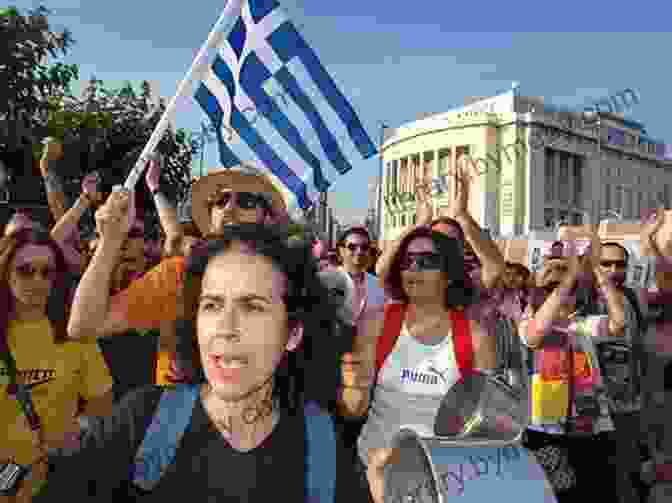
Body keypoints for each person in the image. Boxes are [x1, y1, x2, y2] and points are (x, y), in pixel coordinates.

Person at [36, 220, 367, 503]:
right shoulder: (141, 422)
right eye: (212, 305)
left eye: (252, 306)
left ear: (293, 333)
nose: (226, 327)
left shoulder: (323, 450)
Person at [339, 226, 495, 500]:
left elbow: (484, 428)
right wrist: (354, 388)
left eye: (427, 261)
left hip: (439, 484)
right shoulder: (377, 325)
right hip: (371, 473)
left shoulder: (476, 339)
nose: (414, 268)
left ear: (448, 275)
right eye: (407, 261)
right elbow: (353, 411)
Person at [0, 227, 114, 502]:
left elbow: (103, 402)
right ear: (5, 272)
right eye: (25, 270)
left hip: (55, 482)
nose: (37, 280)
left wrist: (70, 437)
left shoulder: (74, 334)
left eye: (46, 272)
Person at [518, 234, 625, 503]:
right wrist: (567, 279)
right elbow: (536, 334)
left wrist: (597, 272)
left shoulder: (584, 325)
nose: (562, 292)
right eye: (551, 286)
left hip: (592, 430)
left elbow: (619, 322)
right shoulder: (528, 322)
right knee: (557, 497)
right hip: (547, 434)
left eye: (568, 287)